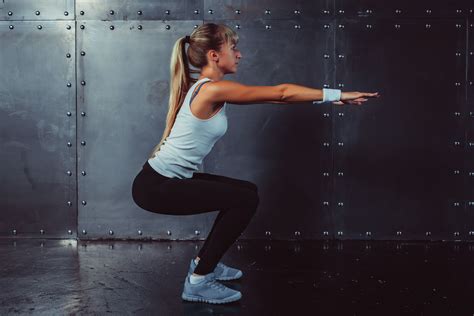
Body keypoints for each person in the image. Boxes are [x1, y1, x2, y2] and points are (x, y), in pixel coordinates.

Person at [131, 22, 380, 305]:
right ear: (214, 55)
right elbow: (281, 92)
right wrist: (338, 93)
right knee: (243, 201)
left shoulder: (209, 88)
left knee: (247, 192)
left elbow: (280, 99)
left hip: (162, 181)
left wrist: (326, 101)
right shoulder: (212, 90)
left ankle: (204, 262)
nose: (239, 55)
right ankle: (199, 281)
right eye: (233, 48)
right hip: (156, 187)